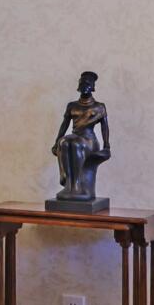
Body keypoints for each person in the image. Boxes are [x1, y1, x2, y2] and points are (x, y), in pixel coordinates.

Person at [51, 71, 110, 206]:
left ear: (93, 87)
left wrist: (107, 146)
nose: (84, 86)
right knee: (64, 142)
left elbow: (105, 128)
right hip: (75, 136)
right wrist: (56, 142)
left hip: (89, 140)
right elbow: (64, 125)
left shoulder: (99, 107)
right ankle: (66, 179)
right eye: (82, 83)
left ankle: (77, 185)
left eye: (88, 84)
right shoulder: (72, 106)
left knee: (75, 144)